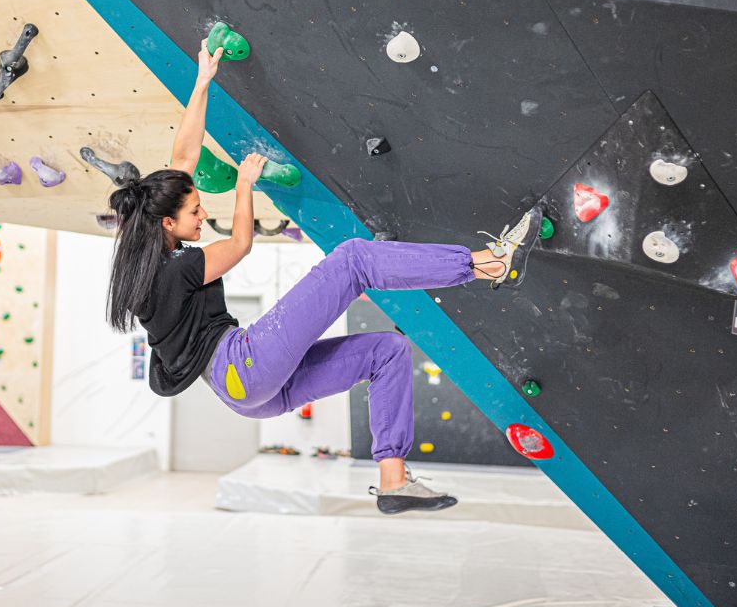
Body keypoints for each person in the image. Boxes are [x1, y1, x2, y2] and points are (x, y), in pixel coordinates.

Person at [106, 38, 542, 515]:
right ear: (166, 223)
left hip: (249, 397)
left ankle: (393, 479)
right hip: (243, 366)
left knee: (387, 351)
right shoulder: (178, 268)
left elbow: (183, 157)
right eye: (193, 212)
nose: (201, 212)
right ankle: (490, 262)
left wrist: (203, 82)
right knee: (354, 258)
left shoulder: (148, 243)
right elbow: (239, 245)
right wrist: (245, 187)